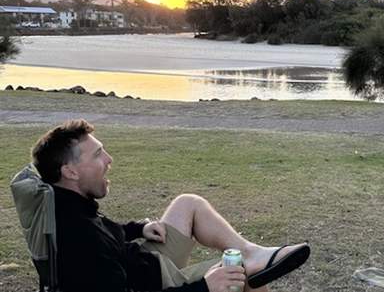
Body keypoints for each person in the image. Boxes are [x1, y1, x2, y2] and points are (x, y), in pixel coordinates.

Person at [30, 119, 310, 292]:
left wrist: (141, 228)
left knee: (188, 203)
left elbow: (108, 232)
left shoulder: (68, 202)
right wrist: (204, 288)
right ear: (71, 171)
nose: (109, 159)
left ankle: (253, 251)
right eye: (98, 154)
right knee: (243, 275)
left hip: (144, 264)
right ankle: (252, 263)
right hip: (153, 283)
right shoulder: (77, 239)